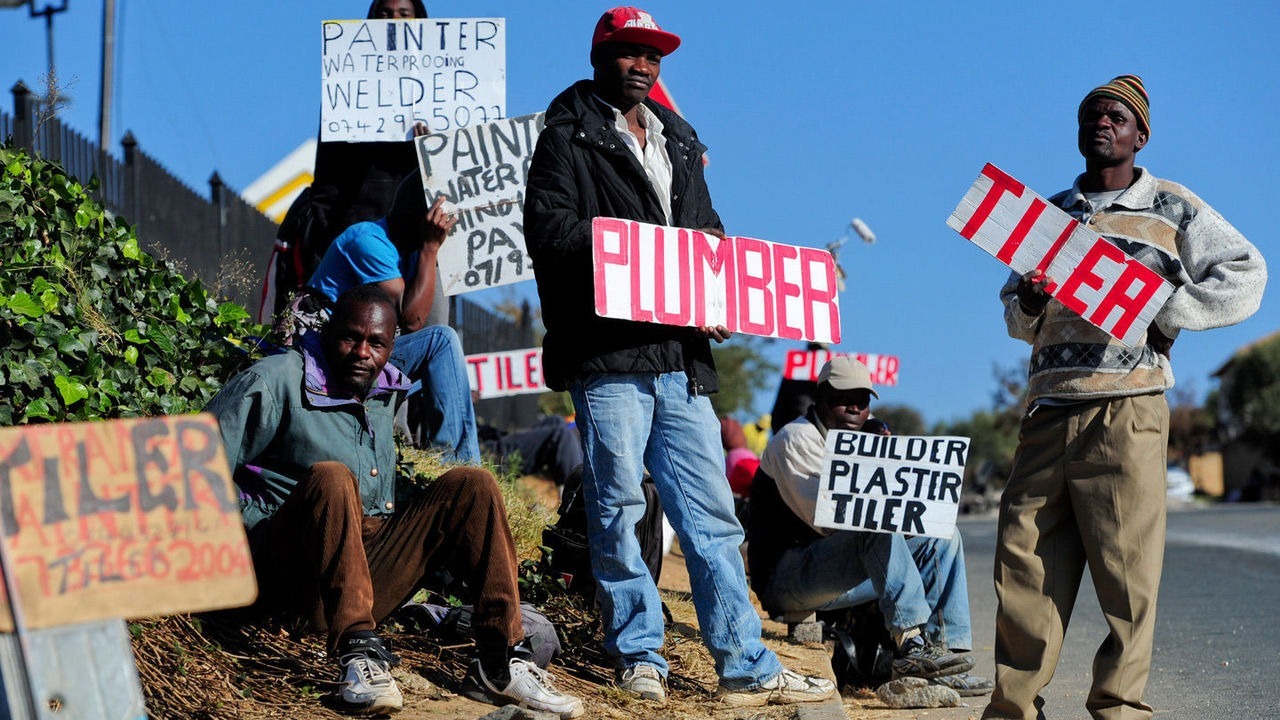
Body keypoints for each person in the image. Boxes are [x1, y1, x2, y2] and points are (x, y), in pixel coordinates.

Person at [523, 6, 835, 708]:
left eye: (653, 56)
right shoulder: (566, 138)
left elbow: (709, 236)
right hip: (607, 358)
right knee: (617, 505)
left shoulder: (680, 140)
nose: (642, 65)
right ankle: (638, 655)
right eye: (630, 52)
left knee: (712, 514)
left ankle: (745, 665)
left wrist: (712, 296)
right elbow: (551, 234)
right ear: (601, 56)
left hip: (680, 359)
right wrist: (636, 259)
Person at [985, 75, 1267, 720]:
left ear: (1141, 134)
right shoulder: (1050, 214)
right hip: (1049, 406)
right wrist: (1027, 302)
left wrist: (1170, 312)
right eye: (1090, 116)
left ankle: (1117, 708)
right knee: (1023, 564)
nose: (1101, 124)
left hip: (1128, 405)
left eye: (1116, 117)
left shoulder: (1172, 206)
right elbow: (1013, 312)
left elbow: (1246, 272)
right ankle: (1013, 710)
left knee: (1126, 574)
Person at [206, 286, 582, 718]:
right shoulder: (275, 380)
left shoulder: (383, 393)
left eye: (377, 343)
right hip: (282, 580)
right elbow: (193, 476)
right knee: (331, 478)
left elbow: (379, 501)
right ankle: (358, 654)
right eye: (350, 338)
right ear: (329, 334)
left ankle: (498, 660)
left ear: (392, 346)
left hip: (358, 580)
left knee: (472, 485)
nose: (362, 352)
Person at [748, 356, 989, 695]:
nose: (854, 408)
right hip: (788, 576)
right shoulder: (796, 439)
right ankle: (911, 645)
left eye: (862, 401)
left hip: (839, 571)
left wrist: (884, 453)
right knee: (875, 515)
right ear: (819, 398)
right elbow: (830, 522)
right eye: (843, 398)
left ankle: (943, 657)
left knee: (943, 535)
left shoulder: (867, 432)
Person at [284, 175, 480, 463]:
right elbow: (412, 320)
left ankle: (441, 455)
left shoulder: (408, 250)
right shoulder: (368, 241)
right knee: (442, 341)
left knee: (445, 357)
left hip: (362, 357)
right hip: (331, 359)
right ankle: (458, 463)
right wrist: (430, 249)